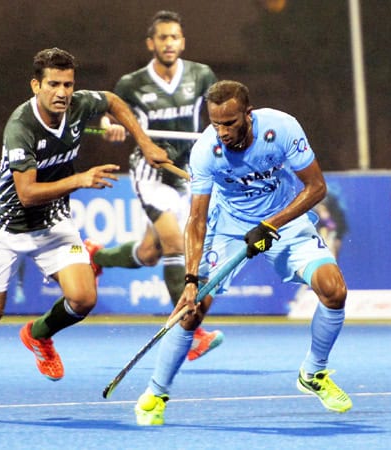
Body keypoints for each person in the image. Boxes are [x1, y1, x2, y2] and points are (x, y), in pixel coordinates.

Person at [133, 80, 352, 425]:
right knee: (191, 311)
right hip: (228, 226)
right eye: (215, 123)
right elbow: (196, 220)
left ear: (248, 115)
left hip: (284, 218)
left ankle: (313, 373)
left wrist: (270, 224)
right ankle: (156, 393)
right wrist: (190, 280)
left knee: (334, 290)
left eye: (229, 123)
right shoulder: (206, 151)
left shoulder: (282, 128)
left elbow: (316, 187)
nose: (222, 132)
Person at [0, 47, 171, 381]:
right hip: (4, 227)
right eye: (53, 84)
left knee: (84, 299)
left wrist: (144, 143)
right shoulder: (21, 126)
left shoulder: (79, 106)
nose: (62, 92)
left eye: (68, 84)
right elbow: (26, 194)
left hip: (53, 222)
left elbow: (112, 101)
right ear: (36, 85)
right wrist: (80, 180)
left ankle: (38, 335)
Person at [84, 10, 223, 361]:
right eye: (163, 37)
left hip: (188, 171)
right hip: (151, 172)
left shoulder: (201, 75)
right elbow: (109, 117)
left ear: (183, 41)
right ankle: (190, 331)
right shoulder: (131, 84)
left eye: (174, 37)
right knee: (176, 243)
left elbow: (218, 113)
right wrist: (110, 127)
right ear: (151, 43)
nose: (169, 43)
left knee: (150, 253)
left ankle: (95, 256)